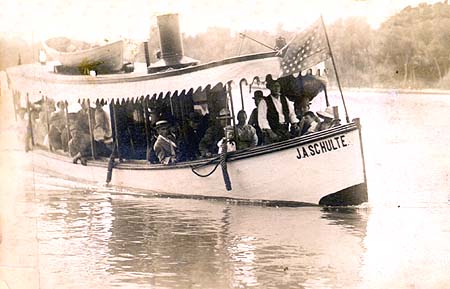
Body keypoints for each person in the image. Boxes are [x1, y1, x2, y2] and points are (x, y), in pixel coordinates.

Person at [257, 80, 299, 144]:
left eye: (278, 86)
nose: (276, 88)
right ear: (270, 88)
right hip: (273, 132)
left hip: (285, 130)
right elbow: (262, 119)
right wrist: (270, 132)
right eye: (274, 86)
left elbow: (291, 113)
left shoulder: (284, 99)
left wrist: (294, 124)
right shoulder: (264, 101)